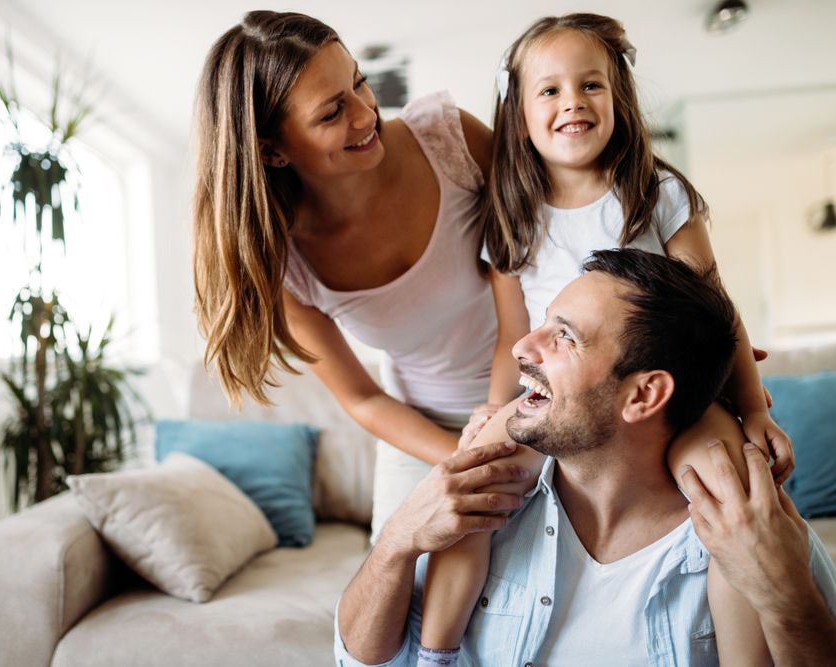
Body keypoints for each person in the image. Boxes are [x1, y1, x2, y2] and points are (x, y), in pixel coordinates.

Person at [420, 14, 792, 664]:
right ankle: (436, 652)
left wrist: (753, 408)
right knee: (472, 483)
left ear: (618, 96)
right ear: (518, 113)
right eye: (550, 90)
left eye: (591, 85)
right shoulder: (513, 217)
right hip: (557, 398)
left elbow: (718, 308)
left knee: (728, 491)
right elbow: (515, 332)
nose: (573, 103)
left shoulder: (657, 193)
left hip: (676, 397)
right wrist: (493, 407)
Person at [336, 249, 836, 666]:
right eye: (542, 323)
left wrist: (784, 599)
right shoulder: (483, 502)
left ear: (643, 396)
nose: (521, 348)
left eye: (565, 337)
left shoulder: (756, 534)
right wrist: (395, 544)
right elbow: (360, 662)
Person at [192, 10, 533, 540]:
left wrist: (502, 422)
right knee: (396, 588)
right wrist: (465, 458)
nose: (366, 114)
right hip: (425, 431)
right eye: (332, 113)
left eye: (359, 83)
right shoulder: (286, 268)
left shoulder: (450, 140)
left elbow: (545, 248)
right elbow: (363, 398)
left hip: (538, 392)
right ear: (271, 150)